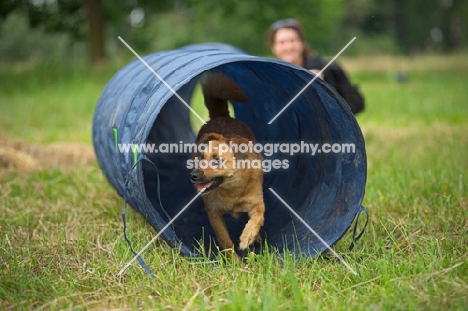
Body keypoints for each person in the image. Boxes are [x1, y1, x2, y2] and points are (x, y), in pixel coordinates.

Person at [266, 18, 365, 114]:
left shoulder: (316, 64)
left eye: (292, 41)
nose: (288, 47)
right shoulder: (275, 71)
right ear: (273, 48)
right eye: (282, 42)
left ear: (302, 43)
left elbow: (314, 74)